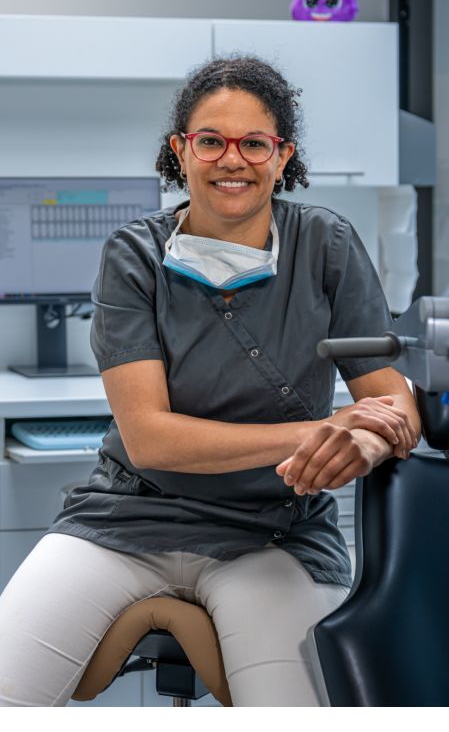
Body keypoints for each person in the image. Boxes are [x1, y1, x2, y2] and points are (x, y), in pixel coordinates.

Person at [0, 56, 421, 708]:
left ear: (282, 156)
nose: (233, 159)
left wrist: (371, 436)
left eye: (255, 143)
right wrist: (319, 431)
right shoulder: (134, 256)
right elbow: (151, 442)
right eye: (211, 141)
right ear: (180, 150)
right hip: (127, 521)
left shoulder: (326, 247)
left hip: (271, 535)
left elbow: (388, 396)